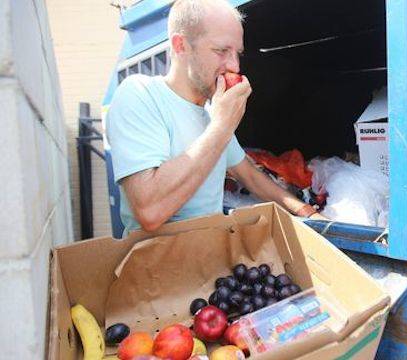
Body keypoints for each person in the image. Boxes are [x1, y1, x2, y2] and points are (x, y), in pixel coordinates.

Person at [106, 0, 325, 237]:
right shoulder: (140, 94)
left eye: (237, 53)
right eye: (221, 51)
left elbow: (250, 176)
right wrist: (222, 126)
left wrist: (310, 214)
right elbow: (149, 211)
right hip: (159, 267)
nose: (234, 65)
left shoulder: (212, 114)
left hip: (211, 260)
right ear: (181, 45)